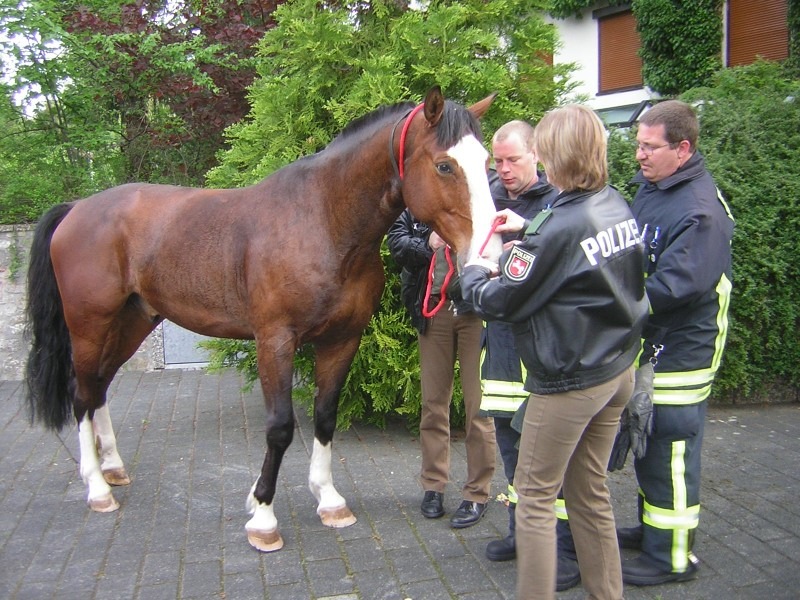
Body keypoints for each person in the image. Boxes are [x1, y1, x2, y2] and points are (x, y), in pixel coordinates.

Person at [461, 104, 649, 600]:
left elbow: (501, 299)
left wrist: (472, 269)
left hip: (570, 380)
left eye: (542, 149)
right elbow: (577, 259)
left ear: (555, 156)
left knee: (535, 500)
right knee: (590, 493)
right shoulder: (613, 204)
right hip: (616, 371)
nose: (538, 157)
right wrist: (524, 231)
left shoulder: (554, 228)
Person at [617, 99, 734, 586]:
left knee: (672, 445)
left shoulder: (701, 212)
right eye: (638, 145)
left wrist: (607, 307)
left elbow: (670, 288)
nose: (639, 156)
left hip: (684, 351)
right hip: (655, 344)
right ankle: (653, 532)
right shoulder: (655, 188)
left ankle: (673, 557)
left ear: (682, 149)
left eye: (649, 147)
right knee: (650, 442)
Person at [478, 120, 581, 591]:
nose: (505, 170)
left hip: (539, 356)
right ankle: (522, 534)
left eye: (513, 160)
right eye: (497, 162)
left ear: (536, 154)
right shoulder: (490, 196)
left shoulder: (557, 203)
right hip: (499, 350)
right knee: (511, 451)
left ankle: (563, 551)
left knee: (548, 464)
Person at [387, 210, 496, 528]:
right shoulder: (422, 203)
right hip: (434, 309)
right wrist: (428, 241)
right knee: (433, 404)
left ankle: (477, 493)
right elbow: (397, 243)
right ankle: (433, 486)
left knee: (479, 409)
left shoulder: (485, 197)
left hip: (476, 312)